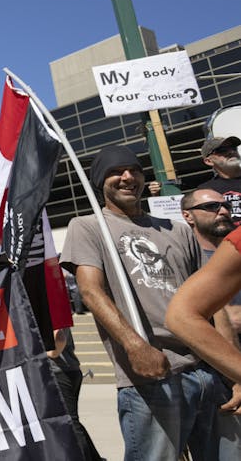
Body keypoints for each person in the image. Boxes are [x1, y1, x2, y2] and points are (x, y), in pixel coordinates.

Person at [60, 145, 218, 460]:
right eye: (116, 171)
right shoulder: (88, 227)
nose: (128, 177)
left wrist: (228, 369)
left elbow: (211, 301)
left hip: (204, 371)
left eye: (135, 170)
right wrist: (136, 346)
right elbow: (91, 292)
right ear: (99, 180)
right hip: (148, 377)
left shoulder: (176, 229)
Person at [176, 189, 241, 456]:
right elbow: (182, 315)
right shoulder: (186, 257)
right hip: (221, 371)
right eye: (212, 206)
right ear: (187, 216)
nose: (223, 210)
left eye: (225, 205)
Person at [47, 328, 104, 461]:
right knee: (72, 421)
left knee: (70, 423)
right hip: (68, 370)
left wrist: (45, 352)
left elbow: (59, 338)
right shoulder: (59, 308)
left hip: (59, 372)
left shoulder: (51, 307)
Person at [198, 136, 241, 227]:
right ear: (209, 161)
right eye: (222, 150)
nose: (231, 152)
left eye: (233, 148)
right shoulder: (205, 191)